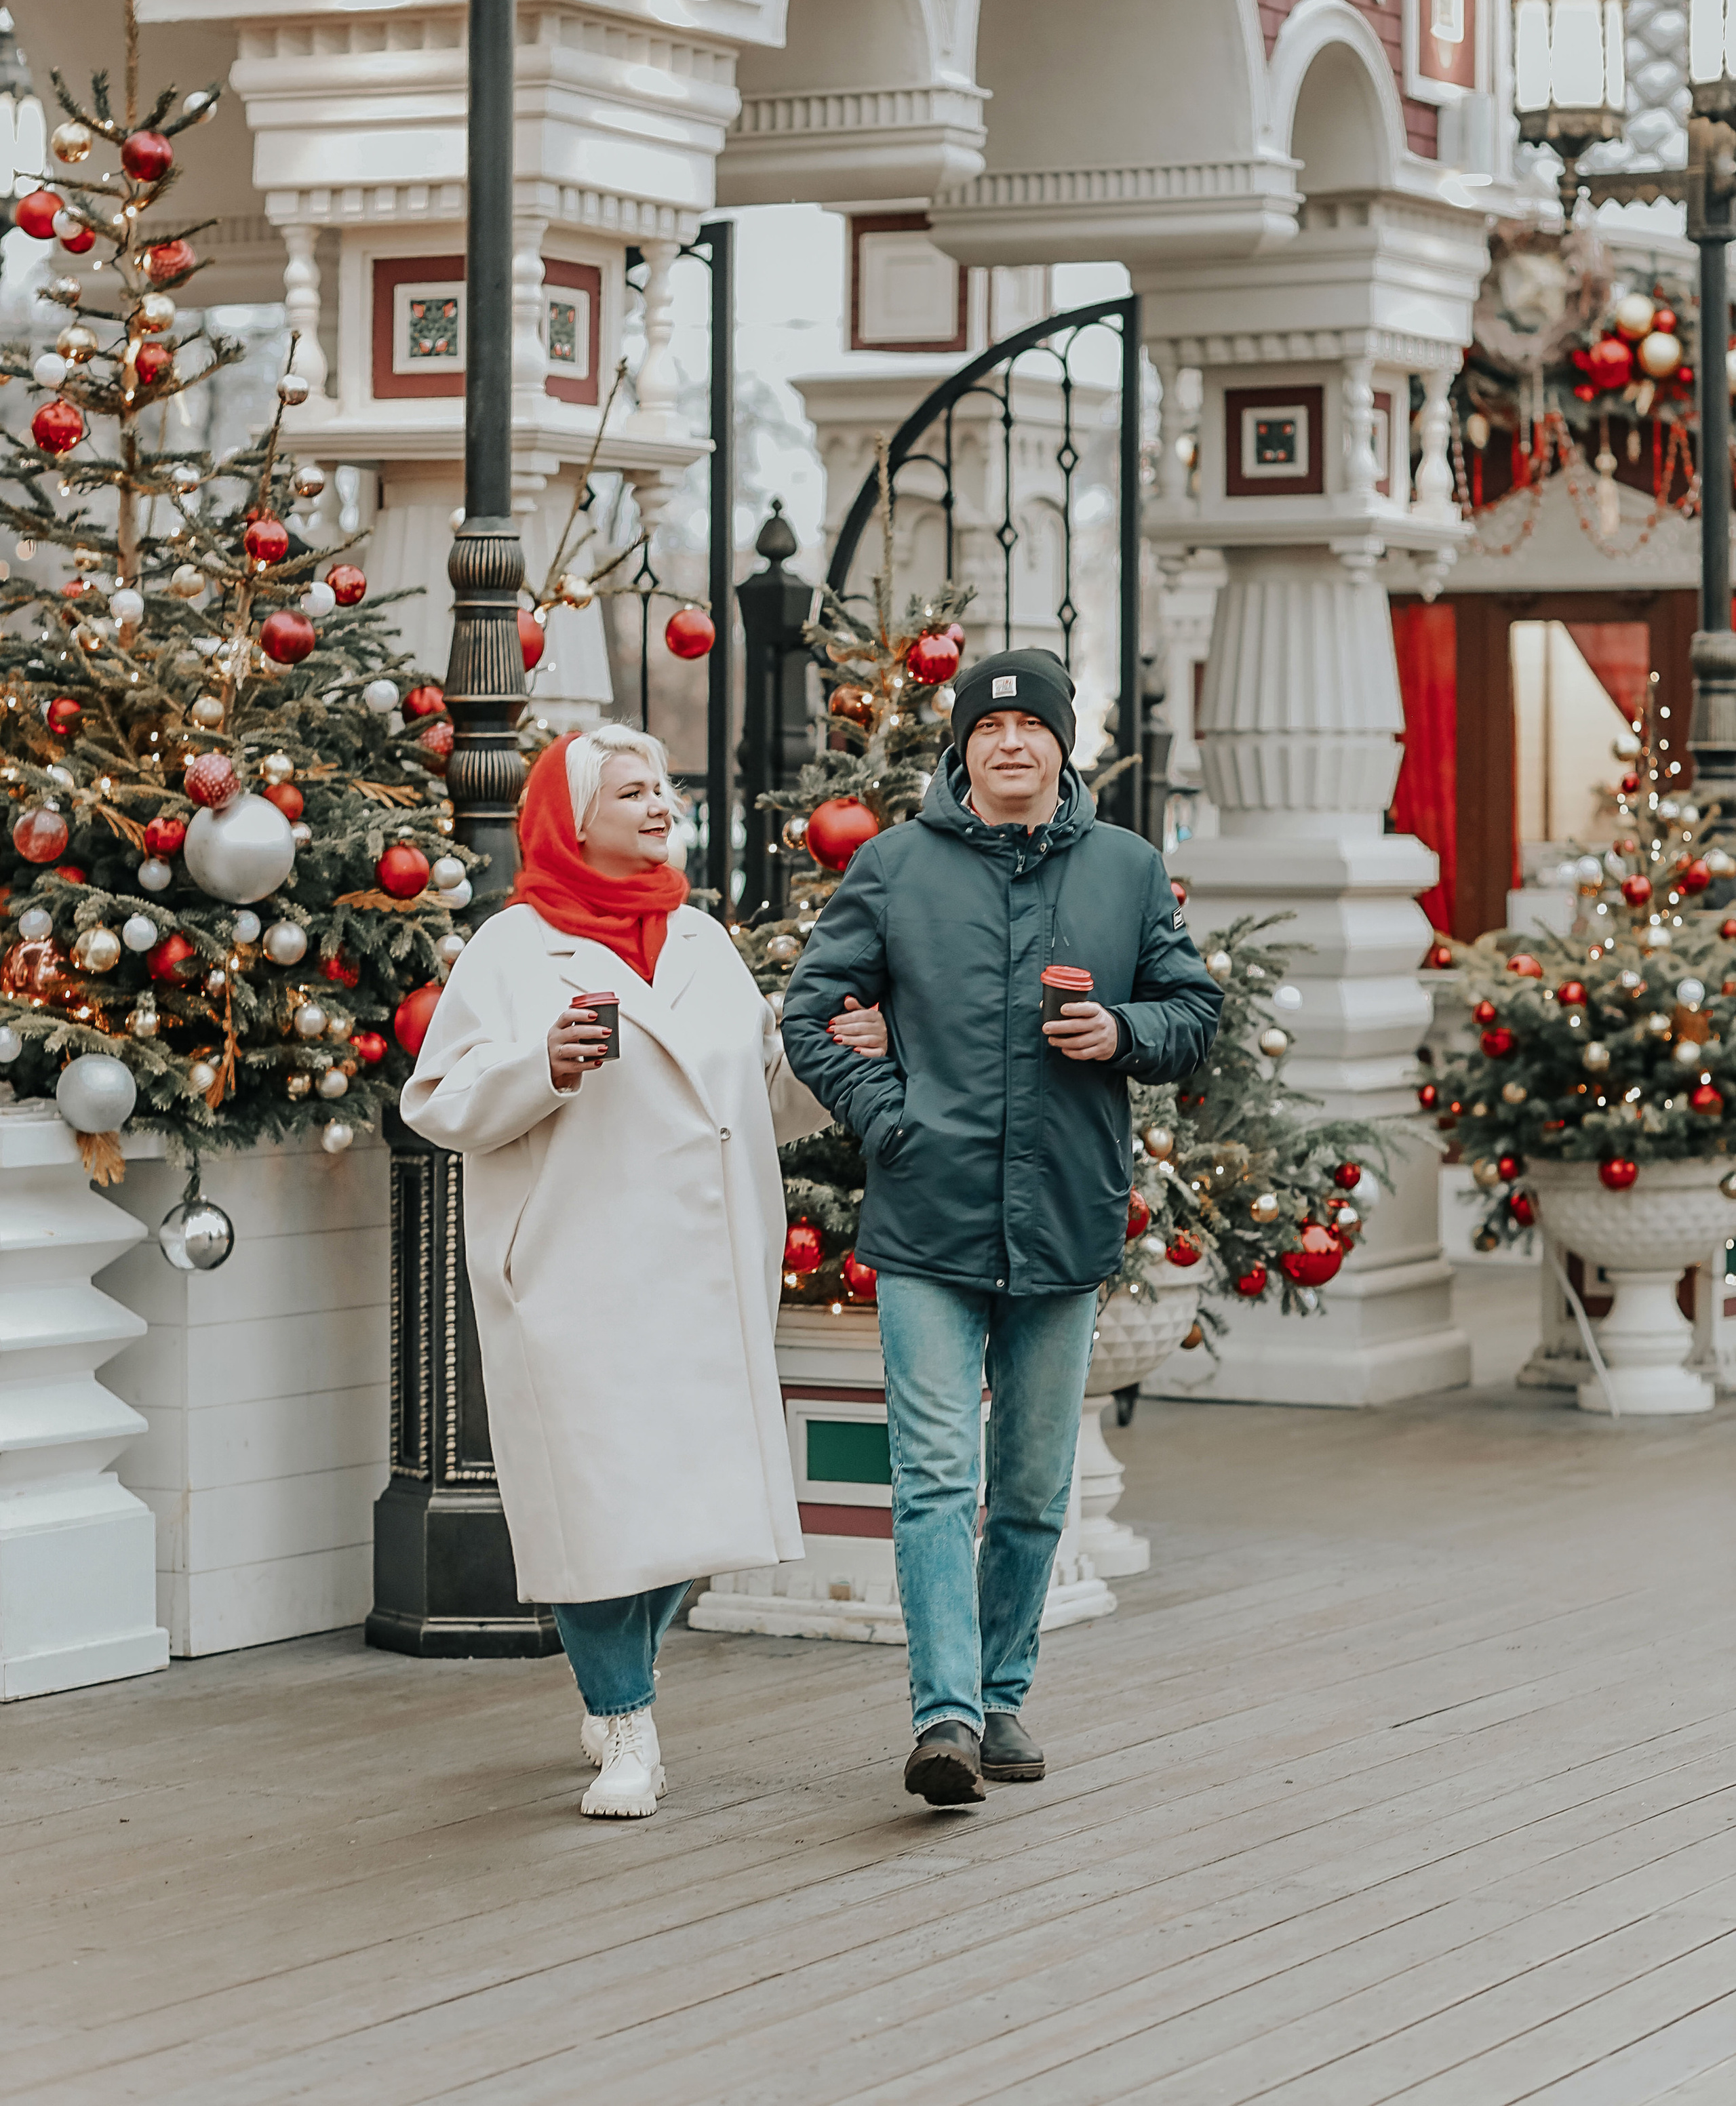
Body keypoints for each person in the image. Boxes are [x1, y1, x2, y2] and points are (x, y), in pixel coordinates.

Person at [401, 724, 884, 1820]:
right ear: (571, 820)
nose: (660, 804)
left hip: (706, 1277)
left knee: (692, 1513)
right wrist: (545, 1067)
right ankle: (625, 1722)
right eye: (631, 791)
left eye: (664, 786)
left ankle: (615, 1680)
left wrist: (832, 1055)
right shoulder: (513, 949)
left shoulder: (703, 941)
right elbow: (437, 1102)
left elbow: (758, 1097)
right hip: (579, 1277)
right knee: (598, 1515)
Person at [781, 648, 1223, 1806]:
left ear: (1062, 745)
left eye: (1033, 728)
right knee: (935, 1474)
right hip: (929, 1213)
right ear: (963, 745)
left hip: (1066, 1216)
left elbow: (1195, 1015)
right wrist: (894, 1117)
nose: (1012, 744)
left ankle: (1003, 1689)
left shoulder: (1127, 870)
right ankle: (946, 1718)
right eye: (991, 728)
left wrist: (1121, 1034)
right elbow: (814, 1013)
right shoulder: (892, 867)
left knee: (1030, 1488)